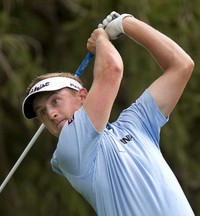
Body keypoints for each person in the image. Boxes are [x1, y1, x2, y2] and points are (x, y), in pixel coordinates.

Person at [22, 11, 195, 215]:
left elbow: (181, 66)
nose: (50, 114)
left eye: (55, 101)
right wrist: (102, 39)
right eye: (41, 112)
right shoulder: (70, 150)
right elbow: (111, 69)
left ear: (82, 96)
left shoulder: (135, 123)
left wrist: (125, 23)